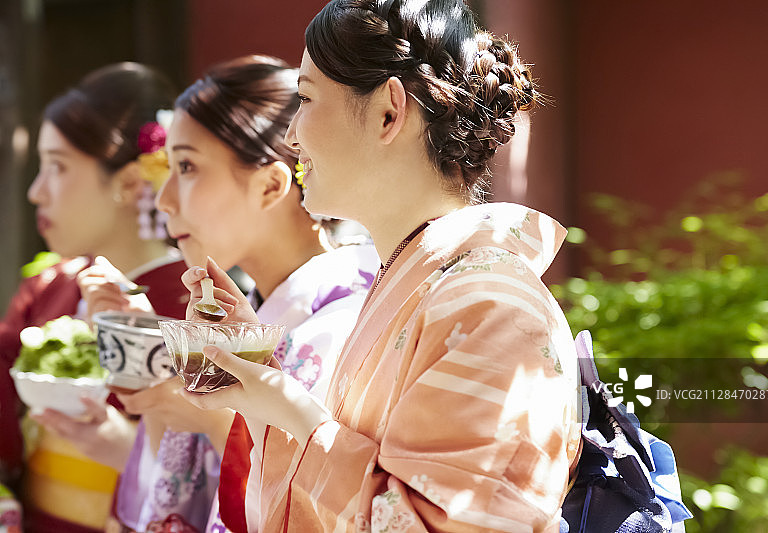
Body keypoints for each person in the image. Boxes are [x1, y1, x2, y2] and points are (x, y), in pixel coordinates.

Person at [180, 0, 582, 531]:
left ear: (389, 112)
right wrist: (262, 386)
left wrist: (287, 407)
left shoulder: (492, 306)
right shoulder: (435, 286)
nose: (292, 136)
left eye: (306, 98)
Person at [105, 55, 379, 532]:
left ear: (272, 184)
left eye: (187, 166)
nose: (165, 199)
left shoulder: (346, 325)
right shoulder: (249, 313)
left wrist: (218, 424)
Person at [0, 62, 188, 533]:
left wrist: (130, 445)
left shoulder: (193, 301)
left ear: (128, 183)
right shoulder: (46, 287)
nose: (36, 192)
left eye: (57, 167)